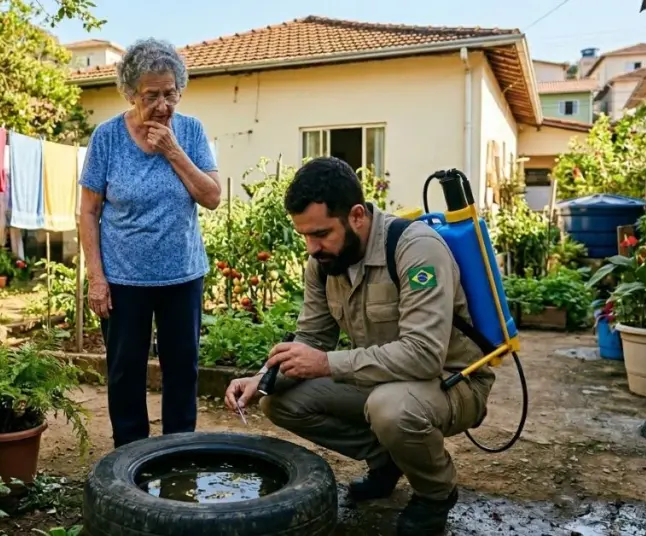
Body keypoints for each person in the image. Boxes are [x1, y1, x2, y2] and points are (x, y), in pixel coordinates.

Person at [224, 157, 494, 535]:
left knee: (392, 410)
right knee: (280, 399)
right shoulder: (324, 263)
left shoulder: (415, 249)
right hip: (380, 380)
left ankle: (435, 493)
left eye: (321, 234)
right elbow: (312, 338)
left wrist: (325, 364)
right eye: (304, 235)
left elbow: (423, 356)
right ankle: (387, 459)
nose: (312, 247)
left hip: (452, 382)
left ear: (356, 216)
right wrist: (261, 379)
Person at [79, 38, 220, 448]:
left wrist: (173, 151)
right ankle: (129, 460)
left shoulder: (190, 132)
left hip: (182, 276)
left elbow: (211, 197)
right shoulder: (106, 138)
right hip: (124, 280)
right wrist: (96, 278)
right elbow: (88, 211)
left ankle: (177, 455)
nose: (162, 105)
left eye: (170, 93)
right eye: (151, 95)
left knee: (182, 370)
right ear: (129, 93)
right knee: (125, 372)